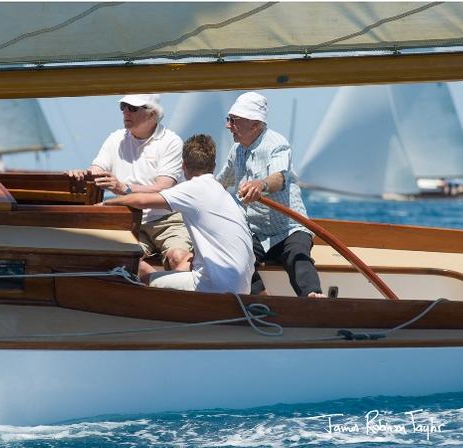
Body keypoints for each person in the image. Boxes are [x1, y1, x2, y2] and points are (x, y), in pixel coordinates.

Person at [100, 134, 255, 294]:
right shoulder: (222, 193)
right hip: (242, 286)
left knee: (142, 279)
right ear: (214, 166)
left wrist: (105, 204)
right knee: (185, 264)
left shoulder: (192, 188)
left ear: (183, 166)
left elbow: (142, 201)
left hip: (217, 287)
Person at [67, 94, 192, 278]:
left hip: (167, 219)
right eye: (123, 107)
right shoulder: (115, 139)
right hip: (130, 219)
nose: (125, 111)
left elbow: (163, 188)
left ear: (152, 114)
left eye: (133, 108)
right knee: (126, 259)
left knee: (178, 257)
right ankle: (158, 291)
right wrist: (82, 175)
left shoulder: (171, 142)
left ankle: (173, 296)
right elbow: (95, 171)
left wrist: (124, 188)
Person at [216, 92, 324, 298]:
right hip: (255, 232)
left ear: (255, 125)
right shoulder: (237, 150)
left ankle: (314, 299)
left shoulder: (276, 143)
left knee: (297, 257)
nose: (228, 126)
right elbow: (220, 183)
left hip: (289, 229)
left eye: (234, 120)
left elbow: (280, 178)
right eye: (228, 119)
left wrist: (261, 184)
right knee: (235, 256)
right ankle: (262, 298)